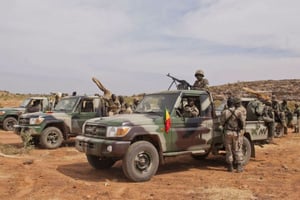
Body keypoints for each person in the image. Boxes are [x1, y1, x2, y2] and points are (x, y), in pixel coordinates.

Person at [220, 97, 246, 173]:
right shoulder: (239, 112)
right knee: (237, 149)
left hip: (227, 133)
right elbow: (243, 123)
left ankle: (230, 167)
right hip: (236, 133)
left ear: (228, 104)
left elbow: (221, 123)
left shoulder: (224, 112)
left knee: (229, 150)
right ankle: (239, 167)